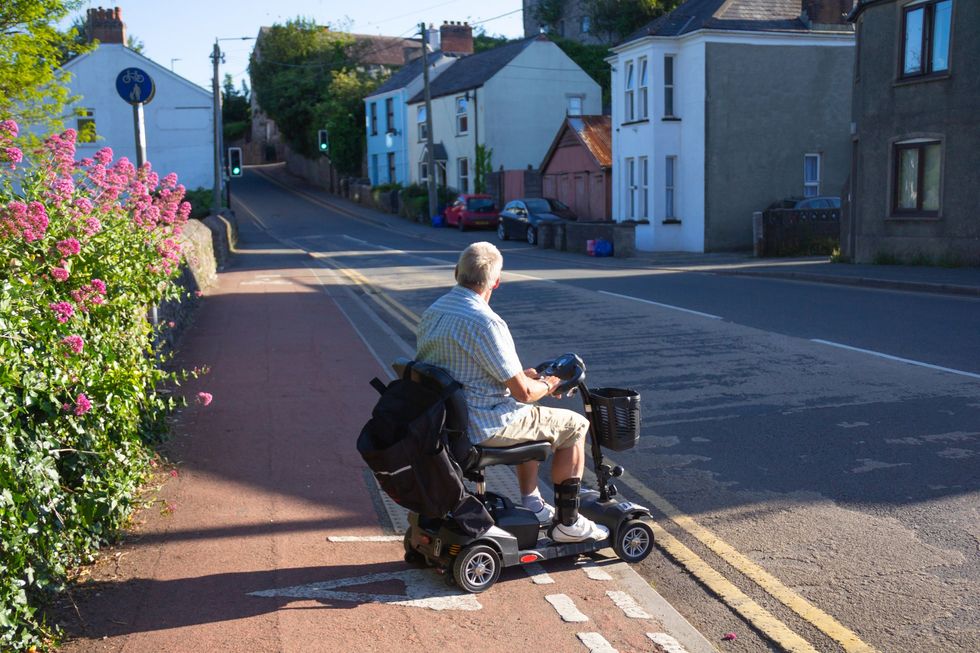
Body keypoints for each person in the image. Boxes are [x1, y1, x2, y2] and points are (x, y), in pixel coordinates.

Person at [415, 241, 608, 542]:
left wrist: (524, 378)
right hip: (482, 425)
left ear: (457, 273)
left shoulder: (434, 311)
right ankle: (568, 524)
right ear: (496, 281)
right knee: (574, 425)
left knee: (533, 416)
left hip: (444, 422)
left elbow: (467, 369)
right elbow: (524, 394)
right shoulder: (486, 322)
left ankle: (532, 503)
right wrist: (549, 384)